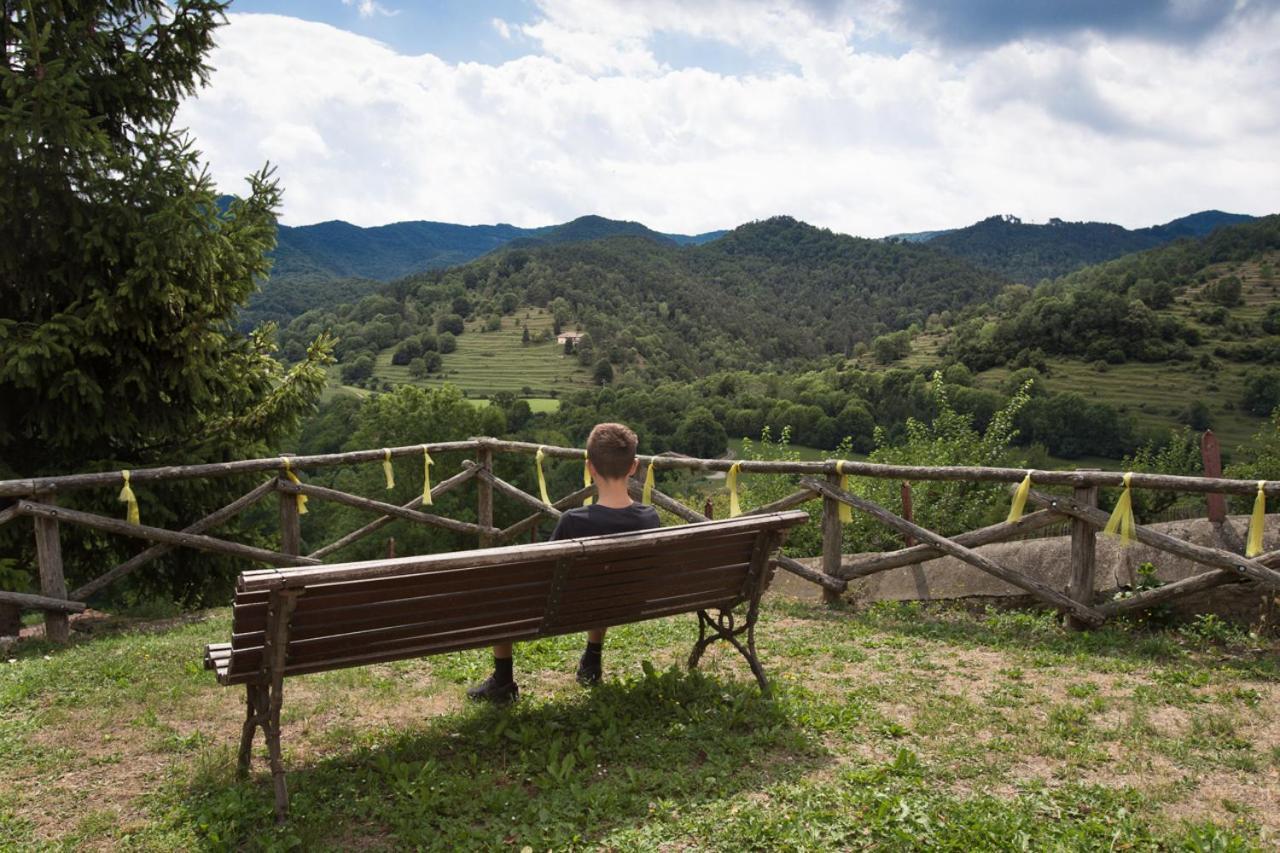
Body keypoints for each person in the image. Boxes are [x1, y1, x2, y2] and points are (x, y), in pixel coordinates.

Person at [467, 422, 660, 703]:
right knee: (604, 580)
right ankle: (592, 661)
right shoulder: (649, 517)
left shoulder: (574, 521)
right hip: (626, 601)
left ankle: (503, 681)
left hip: (565, 608)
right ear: (634, 466)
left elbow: (544, 572)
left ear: (590, 466)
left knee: (500, 589)